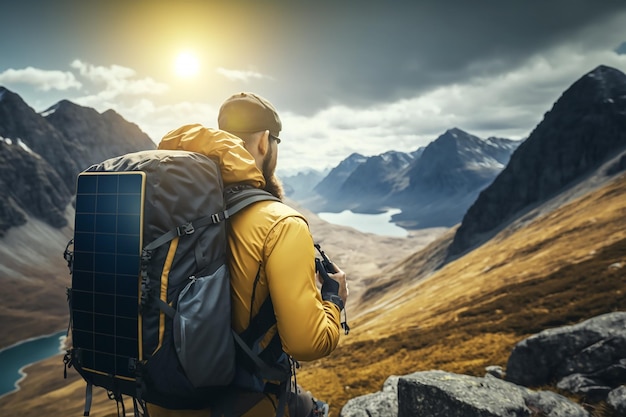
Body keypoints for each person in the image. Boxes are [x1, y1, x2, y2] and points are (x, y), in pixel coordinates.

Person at [147, 92, 349, 417]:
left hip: (160, 398)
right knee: (312, 410)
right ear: (266, 142)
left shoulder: (171, 207)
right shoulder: (281, 224)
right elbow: (307, 344)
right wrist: (334, 300)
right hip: (238, 405)